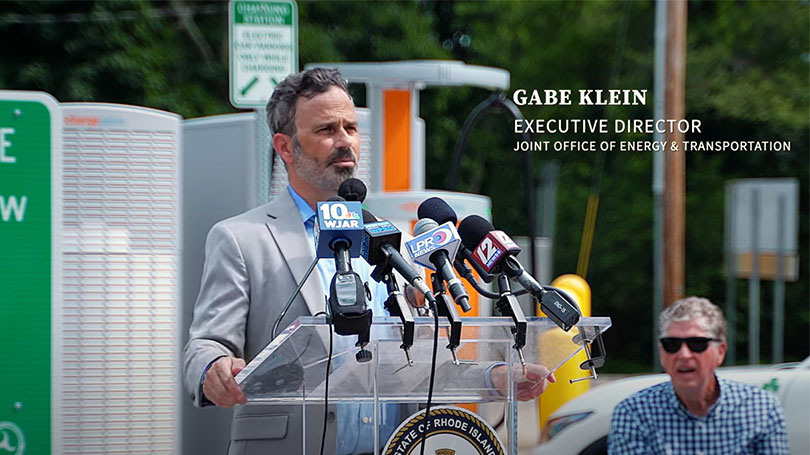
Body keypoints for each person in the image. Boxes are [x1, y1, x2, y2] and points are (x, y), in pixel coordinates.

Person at [183, 68, 555, 455]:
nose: (345, 142)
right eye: (327, 130)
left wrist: (496, 377)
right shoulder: (242, 239)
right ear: (285, 147)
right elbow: (205, 345)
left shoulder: (397, 245)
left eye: (351, 128)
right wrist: (214, 370)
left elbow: (424, 365)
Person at [608, 296, 789, 455]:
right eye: (672, 344)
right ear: (661, 352)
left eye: (697, 343)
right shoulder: (633, 413)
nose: (684, 354)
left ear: (721, 352)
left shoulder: (761, 409)